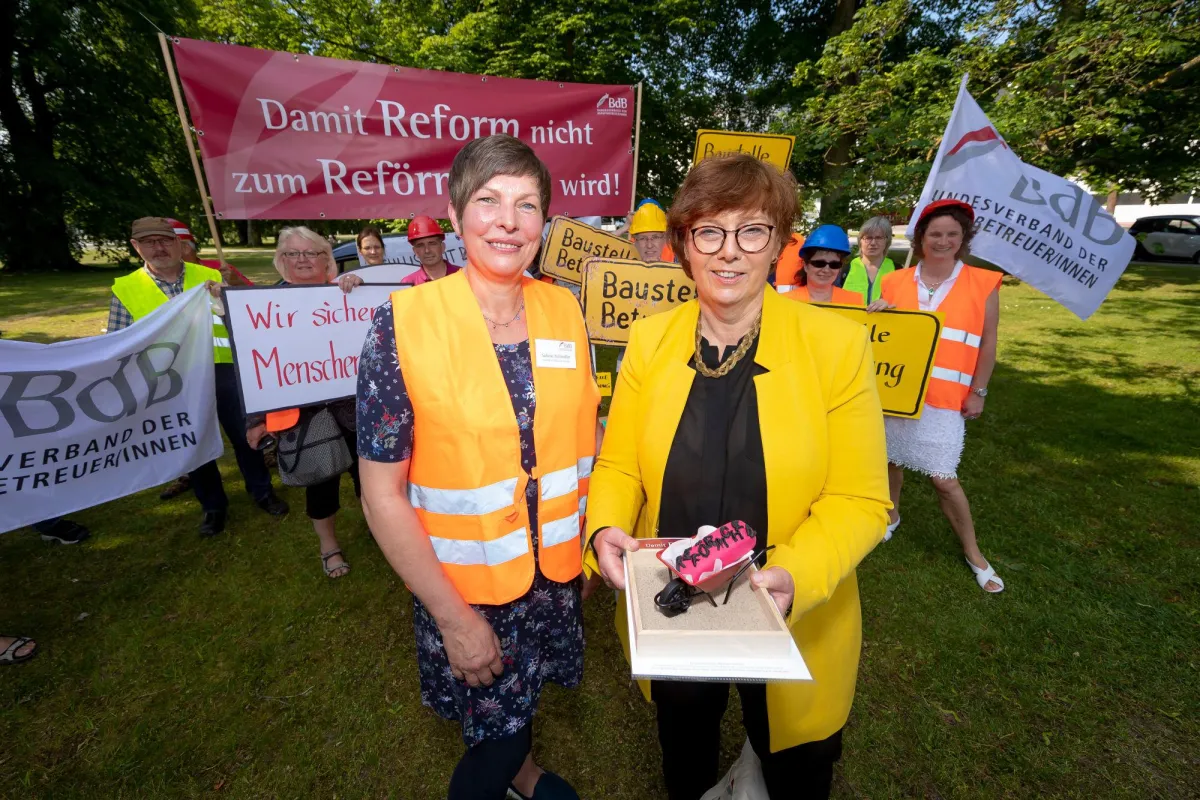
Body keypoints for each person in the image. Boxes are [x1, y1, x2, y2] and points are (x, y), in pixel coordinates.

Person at [587, 153, 890, 800]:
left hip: (789, 608)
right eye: (708, 231)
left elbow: (860, 500)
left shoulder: (836, 347)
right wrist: (605, 525)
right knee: (685, 752)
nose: (730, 252)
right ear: (684, 247)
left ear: (779, 244)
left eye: (752, 230)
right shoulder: (648, 341)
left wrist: (794, 580)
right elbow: (616, 464)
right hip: (673, 598)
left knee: (796, 772)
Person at [357, 135, 599, 800]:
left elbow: (580, 443)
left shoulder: (562, 309)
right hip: (466, 592)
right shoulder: (403, 322)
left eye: (527, 205)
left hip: (552, 580)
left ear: (544, 224)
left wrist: (583, 552)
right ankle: (513, 774)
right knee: (493, 746)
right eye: (488, 201)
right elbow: (381, 493)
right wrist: (453, 618)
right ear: (457, 212)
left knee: (514, 720)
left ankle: (522, 775)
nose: (507, 221)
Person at [109, 217, 288, 536]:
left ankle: (262, 492)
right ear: (137, 247)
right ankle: (213, 506)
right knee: (192, 442)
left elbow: (243, 321)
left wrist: (228, 294)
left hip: (223, 371)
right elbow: (120, 341)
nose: (159, 248)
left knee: (246, 436)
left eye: (164, 240)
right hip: (172, 380)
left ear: (180, 244)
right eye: (149, 242)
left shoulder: (210, 275)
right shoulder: (126, 289)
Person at [867, 199, 1004, 592]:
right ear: (921, 237)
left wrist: (978, 390)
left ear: (963, 238)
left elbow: (988, 342)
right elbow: (880, 336)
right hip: (895, 391)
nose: (943, 241)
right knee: (890, 459)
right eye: (935, 234)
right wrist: (876, 313)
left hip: (946, 397)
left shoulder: (982, 282)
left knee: (943, 479)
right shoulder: (895, 280)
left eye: (952, 234)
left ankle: (973, 551)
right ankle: (891, 516)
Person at [245, 228, 362, 578]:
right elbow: (253, 367)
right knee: (320, 480)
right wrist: (254, 419)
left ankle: (386, 533)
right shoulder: (262, 307)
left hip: (352, 407)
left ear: (327, 260)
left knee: (370, 477)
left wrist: (359, 291)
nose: (302, 260)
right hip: (301, 414)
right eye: (293, 254)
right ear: (281, 261)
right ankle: (329, 546)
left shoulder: (345, 294)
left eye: (311, 253)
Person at [785, 225, 863, 305]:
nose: (826, 270)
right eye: (819, 263)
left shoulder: (854, 302)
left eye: (834, 264)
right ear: (805, 266)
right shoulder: (787, 301)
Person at [168, 218, 254, 287]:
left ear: (185, 247)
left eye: (167, 244)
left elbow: (256, 295)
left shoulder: (220, 268)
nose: (159, 250)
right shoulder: (159, 278)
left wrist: (238, 283)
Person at [840, 215, 896, 303]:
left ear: (887, 241)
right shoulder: (845, 270)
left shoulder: (898, 270)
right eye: (868, 238)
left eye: (879, 238)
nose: (873, 243)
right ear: (860, 241)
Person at [400, 215, 461, 285]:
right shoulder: (408, 284)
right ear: (415, 251)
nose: (427, 250)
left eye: (432, 243)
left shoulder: (463, 276)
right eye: (420, 245)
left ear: (442, 247)